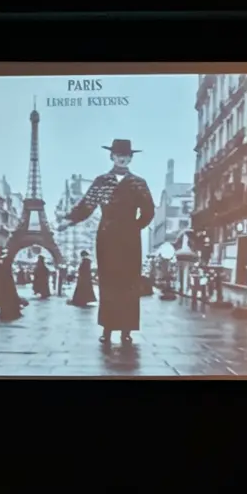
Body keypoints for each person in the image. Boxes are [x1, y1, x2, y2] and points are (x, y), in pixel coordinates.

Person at [58, 138, 154, 347]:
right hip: (107, 237)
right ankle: (108, 329)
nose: (122, 158)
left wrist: (135, 226)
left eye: (126, 156)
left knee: (129, 285)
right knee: (108, 284)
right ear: (111, 156)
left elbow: (149, 211)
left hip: (129, 240)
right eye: (119, 155)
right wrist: (69, 220)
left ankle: (127, 331)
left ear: (130, 158)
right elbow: (87, 205)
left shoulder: (139, 183)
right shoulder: (101, 182)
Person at [0, 251, 23, 321]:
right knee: (8, 301)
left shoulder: (1, 268)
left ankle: (6, 313)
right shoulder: (6, 269)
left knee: (5, 301)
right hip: (6, 290)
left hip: (3, 291)